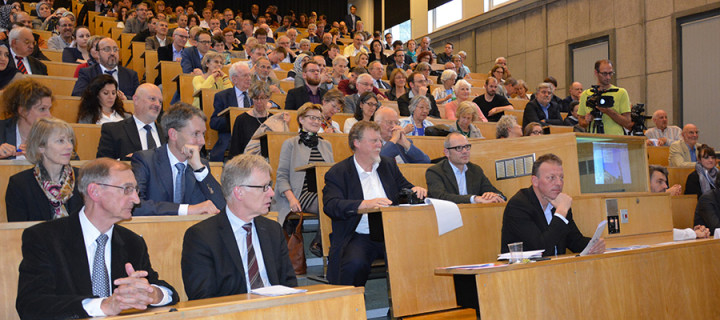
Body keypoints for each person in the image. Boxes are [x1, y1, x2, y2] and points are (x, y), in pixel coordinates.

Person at [16, 158, 179, 319]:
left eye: (136, 190)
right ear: (94, 191)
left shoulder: (132, 242)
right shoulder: (45, 238)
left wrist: (153, 294)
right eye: (127, 189)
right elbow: (31, 304)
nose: (136, 199)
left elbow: (164, 290)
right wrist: (103, 306)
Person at [323, 120, 427, 286]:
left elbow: (405, 188)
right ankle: (353, 309)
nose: (380, 144)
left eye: (380, 140)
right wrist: (365, 204)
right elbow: (331, 205)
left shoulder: (388, 164)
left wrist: (416, 189)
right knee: (353, 264)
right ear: (356, 143)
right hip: (359, 235)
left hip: (391, 233)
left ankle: (404, 309)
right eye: (374, 141)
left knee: (418, 257)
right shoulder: (339, 172)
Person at [181, 153, 297, 299]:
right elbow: (203, 299)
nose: (272, 193)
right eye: (265, 187)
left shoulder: (273, 230)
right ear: (239, 192)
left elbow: (289, 284)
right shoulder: (201, 236)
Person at [500, 153, 606, 256]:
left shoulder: (560, 204)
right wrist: (560, 213)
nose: (559, 183)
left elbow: (574, 241)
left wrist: (593, 245)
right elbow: (541, 249)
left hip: (554, 269)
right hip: (523, 271)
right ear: (535, 181)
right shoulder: (519, 205)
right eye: (551, 177)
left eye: (561, 177)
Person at [132, 102, 225, 216]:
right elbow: (134, 206)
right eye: (196, 134)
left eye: (203, 134)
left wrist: (199, 169)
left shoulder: (200, 164)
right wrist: (187, 210)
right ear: (173, 134)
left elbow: (221, 207)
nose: (202, 142)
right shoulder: (146, 161)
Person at [6, 118, 83, 221]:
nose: (69, 146)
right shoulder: (19, 184)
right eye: (61, 141)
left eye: (70, 140)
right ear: (40, 147)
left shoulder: (83, 178)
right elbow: (19, 230)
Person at [274, 103, 334, 225]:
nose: (316, 122)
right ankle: (319, 243)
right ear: (301, 119)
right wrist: (292, 199)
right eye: (312, 118)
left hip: (324, 193)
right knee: (329, 206)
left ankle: (319, 243)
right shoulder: (291, 144)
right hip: (300, 193)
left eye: (319, 118)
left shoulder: (326, 145)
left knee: (338, 204)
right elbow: (282, 176)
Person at [426, 133, 504, 204]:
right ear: (447, 152)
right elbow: (441, 197)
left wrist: (493, 195)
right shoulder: (435, 171)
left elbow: (497, 193)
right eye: (459, 148)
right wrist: (473, 199)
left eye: (467, 147)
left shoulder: (475, 170)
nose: (465, 151)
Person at [96, 83, 166, 160]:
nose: (157, 104)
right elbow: (103, 166)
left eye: (160, 101)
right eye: (152, 99)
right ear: (136, 100)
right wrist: (126, 163)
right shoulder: (113, 131)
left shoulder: (167, 133)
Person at [647, 165, 710, 240]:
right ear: (646, 183)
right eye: (660, 182)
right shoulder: (638, 208)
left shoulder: (659, 206)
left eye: (665, 182)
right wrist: (694, 233)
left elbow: (667, 232)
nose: (665, 186)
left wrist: (694, 232)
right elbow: (662, 233)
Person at [0, 78, 52, 160]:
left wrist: (42, 159)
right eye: (42, 109)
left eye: (49, 109)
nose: (49, 115)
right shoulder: (1, 129)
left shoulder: (55, 133)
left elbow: (73, 162)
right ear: (22, 111)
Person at [208, 62, 251, 161]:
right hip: (232, 140)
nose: (249, 78)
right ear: (234, 79)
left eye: (249, 75)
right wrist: (232, 118)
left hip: (253, 140)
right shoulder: (223, 97)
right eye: (245, 75)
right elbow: (214, 123)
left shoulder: (256, 95)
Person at [577, 59, 632, 135]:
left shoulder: (621, 92)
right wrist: (586, 121)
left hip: (615, 140)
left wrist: (608, 111)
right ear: (596, 73)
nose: (608, 77)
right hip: (593, 138)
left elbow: (627, 122)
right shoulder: (586, 94)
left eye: (610, 73)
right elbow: (581, 121)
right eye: (604, 74)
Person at [73, 37, 140, 98]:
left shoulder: (131, 75)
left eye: (115, 49)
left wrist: (126, 98)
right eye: (107, 49)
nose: (112, 53)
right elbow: (77, 95)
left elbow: (139, 99)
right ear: (98, 54)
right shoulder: (87, 73)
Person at [229, 82, 272, 158]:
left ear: (268, 98)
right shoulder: (241, 120)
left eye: (262, 98)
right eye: (255, 98)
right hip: (247, 162)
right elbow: (235, 150)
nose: (259, 102)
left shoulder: (272, 119)